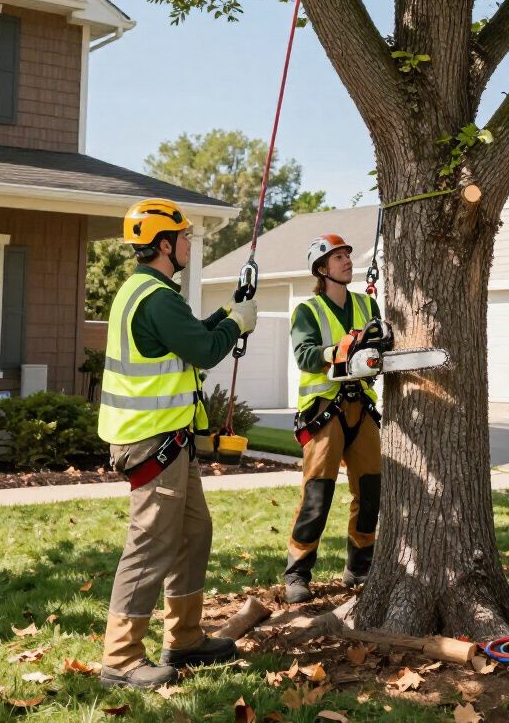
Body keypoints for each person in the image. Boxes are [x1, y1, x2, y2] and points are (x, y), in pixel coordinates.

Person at [98, 198, 258, 690]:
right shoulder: (157, 297)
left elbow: (190, 341)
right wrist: (237, 325)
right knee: (151, 545)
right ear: (165, 245)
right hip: (153, 444)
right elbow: (208, 349)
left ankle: (184, 638)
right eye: (185, 237)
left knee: (193, 534)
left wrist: (228, 313)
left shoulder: (147, 292)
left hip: (168, 441)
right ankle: (121, 658)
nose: (189, 243)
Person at [283, 233, 385, 605]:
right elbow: (305, 355)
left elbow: (380, 347)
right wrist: (335, 350)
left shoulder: (366, 305)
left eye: (347, 256)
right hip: (325, 410)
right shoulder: (308, 310)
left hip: (363, 407)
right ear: (322, 269)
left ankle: (360, 566)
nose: (347, 261)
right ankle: (297, 571)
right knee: (317, 493)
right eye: (338, 257)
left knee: (371, 490)